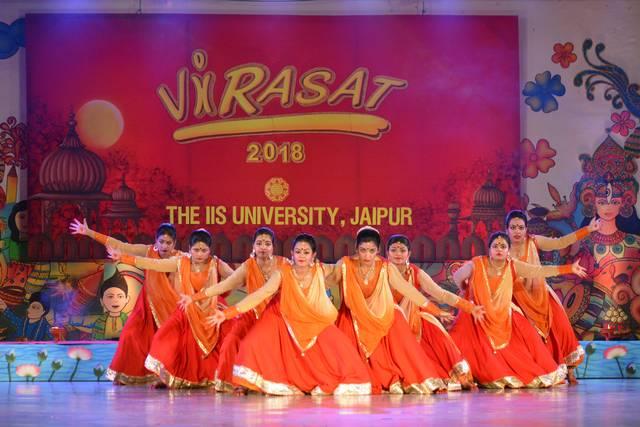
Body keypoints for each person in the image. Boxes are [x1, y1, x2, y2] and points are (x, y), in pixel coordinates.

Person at [208, 233, 371, 396]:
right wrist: (227, 313)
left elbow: (344, 267)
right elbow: (261, 294)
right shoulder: (283, 272)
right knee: (250, 343)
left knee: (339, 347)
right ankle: (247, 384)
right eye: (298, 252)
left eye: (306, 252)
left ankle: (311, 380)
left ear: (313, 255)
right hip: (280, 317)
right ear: (292, 253)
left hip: (311, 320)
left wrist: (365, 257)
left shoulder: (321, 270)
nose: (301, 256)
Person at [334, 226, 466, 394]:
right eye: (363, 250)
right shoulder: (347, 265)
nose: (367, 255)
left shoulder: (391, 268)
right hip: (363, 316)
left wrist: (444, 309)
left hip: (398, 318)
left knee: (398, 316)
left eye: (402, 250)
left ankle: (407, 373)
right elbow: (329, 278)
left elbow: (419, 292)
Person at [450, 231, 587, 388]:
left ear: (508, 250)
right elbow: (458, 277)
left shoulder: (513, 265)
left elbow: (538, 271)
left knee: (528, 337)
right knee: (460, 338)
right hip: (479, 314)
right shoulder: (477, 264)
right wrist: (467, 291)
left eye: (503, 246)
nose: (499, 249)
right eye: (495, 246)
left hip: (502, 315)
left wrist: (569, 268)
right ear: (489, 249)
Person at [109, 228, 233, 388]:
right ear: (189, 249)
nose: (200, 254)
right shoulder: (181, 262)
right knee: (163, 338)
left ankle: (220, 378)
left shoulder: (216, 264)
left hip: (209, 309)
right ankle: (166, 376)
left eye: (204, 250)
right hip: (186, 310)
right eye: (196, 250)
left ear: (210, 250)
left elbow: (236, 278)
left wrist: (222, 291)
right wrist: (123, 258)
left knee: (228, 334)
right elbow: (153, 264)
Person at [70, 219, 181, 385]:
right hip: (146, 305)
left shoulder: (180, 258)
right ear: (156, 241)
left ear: (174, 243)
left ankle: (166, 377)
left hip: (168, 307)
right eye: (161, 241)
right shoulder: (147, 251)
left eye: (169, 243)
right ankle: (128, 375)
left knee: (167, 342)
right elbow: (120, 245)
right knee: (129, 335)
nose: (164, 246)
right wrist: (89, 232)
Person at [179, 227, 288, 393]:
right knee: (230, 341)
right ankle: (232, 382)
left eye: (267, 244)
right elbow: (224, 285)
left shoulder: (284, 264)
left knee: (252, 343)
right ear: (253, 246)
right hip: (251, 312)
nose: (263, 247)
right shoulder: (248, 266)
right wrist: (194, 298)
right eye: (259, 243)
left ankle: (255, 383)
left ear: (273, 247)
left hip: (278, 315)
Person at [506, 210, 598, 383]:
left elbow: (560, 242)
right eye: (513, 227)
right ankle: (545, 371)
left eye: (521, 227)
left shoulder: (534, 241)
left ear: (526, 229)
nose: (517, 231)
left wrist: (587, 229)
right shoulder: (502, 249)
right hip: (516, 298)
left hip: (539, 293)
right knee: (530, 337)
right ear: (507, 230)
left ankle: (570, 369)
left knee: (561, 328)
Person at [386, 234, 483, 390]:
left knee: (434, 329)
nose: (398, 254)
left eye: (402, 250)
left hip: (413, 320)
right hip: (386, 322)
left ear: (409, 254)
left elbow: (441, 294)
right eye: (394, 250)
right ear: (387, 253)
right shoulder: (381, 271)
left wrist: (469, 307)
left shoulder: (415, 273)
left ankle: (456, 376)